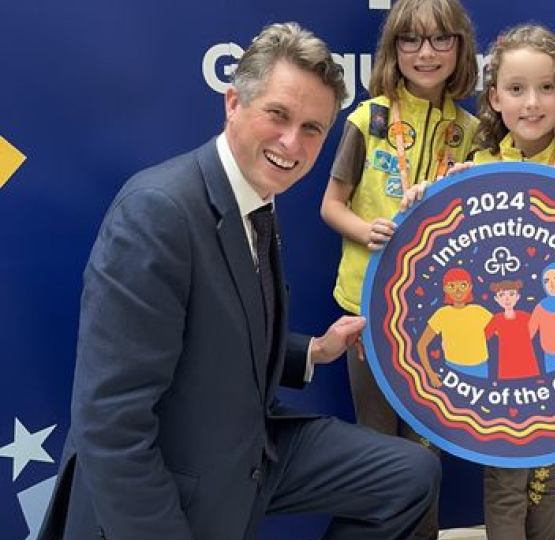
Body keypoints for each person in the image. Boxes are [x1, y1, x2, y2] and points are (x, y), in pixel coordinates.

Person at [36, 22, 440, 540]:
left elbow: (217, 329)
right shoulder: (157, 212)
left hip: (250, 441)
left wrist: (310, 352)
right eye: (278, 114)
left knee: (409, 473)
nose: (292, 142)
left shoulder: (257, 198)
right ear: (233, 103)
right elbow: (111, 427)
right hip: (172, 472)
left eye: (313, 128)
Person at [406, 23, 555, 540]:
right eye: (517, 89)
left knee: (545, 475)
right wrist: (426, 199)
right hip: (501, 367)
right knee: (503, 478)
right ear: (494, 98)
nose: (532, 102)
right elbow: (445, 244)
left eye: (546, 88)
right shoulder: (477, 168)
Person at [319, 1, 479, 538]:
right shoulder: (369, 118)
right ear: (393, 49)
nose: (425, 53)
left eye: (440, 40)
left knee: (425, 445)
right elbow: (331, 205)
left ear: (460, 47)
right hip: (368, 306)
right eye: (410, 40)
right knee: (376, 443)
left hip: (438, 314)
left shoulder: (473, 131)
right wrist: (366, 231)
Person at [417, 267, 492, 385]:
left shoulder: (479, 311)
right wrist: (430, 374)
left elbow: (504, 333)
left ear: (470, 287)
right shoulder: (442, 314)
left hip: (480, 368)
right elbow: (421, 345)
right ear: (445, 289)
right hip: (453, 369)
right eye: (452, 286)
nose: (458, 291)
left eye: (462, 285)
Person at [486, 280, 539, 380]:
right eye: (502, 295)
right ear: (496, 299)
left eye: (511, 294)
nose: (507, 299)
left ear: (518, 296)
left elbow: (538, 331)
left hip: (527, 363)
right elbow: (484, 336)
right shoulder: (497, 319)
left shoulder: (525, 317)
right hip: (507, 365)